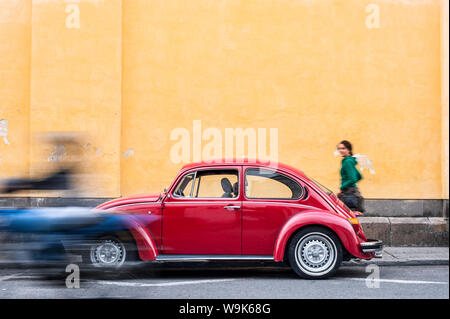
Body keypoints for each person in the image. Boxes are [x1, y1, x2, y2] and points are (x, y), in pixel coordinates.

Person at [336, 140, 365, 212]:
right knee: (351, 217)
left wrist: (342, 187)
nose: (340, 150)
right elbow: (359, 176)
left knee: (347, 217)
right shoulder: (351, 161)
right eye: (339, 148)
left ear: (349, 150)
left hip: (348, 194)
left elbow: (353, 179)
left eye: (343, 148)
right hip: (352, 191)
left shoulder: (347, 162)